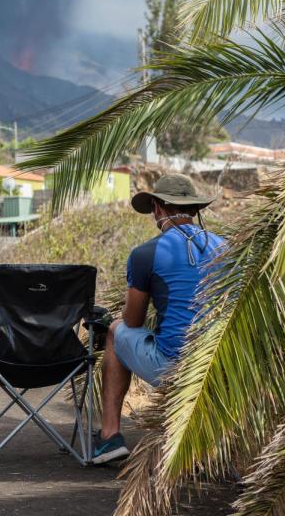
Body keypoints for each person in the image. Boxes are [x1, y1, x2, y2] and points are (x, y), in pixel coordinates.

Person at [92, 173, 225, 465]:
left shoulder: (146, 254)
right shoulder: (226, 247)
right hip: (221, 366)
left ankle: (109, 436)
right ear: (195, 208)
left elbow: (133, 321)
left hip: (172, 367)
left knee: (115, 331)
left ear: (157, 208)